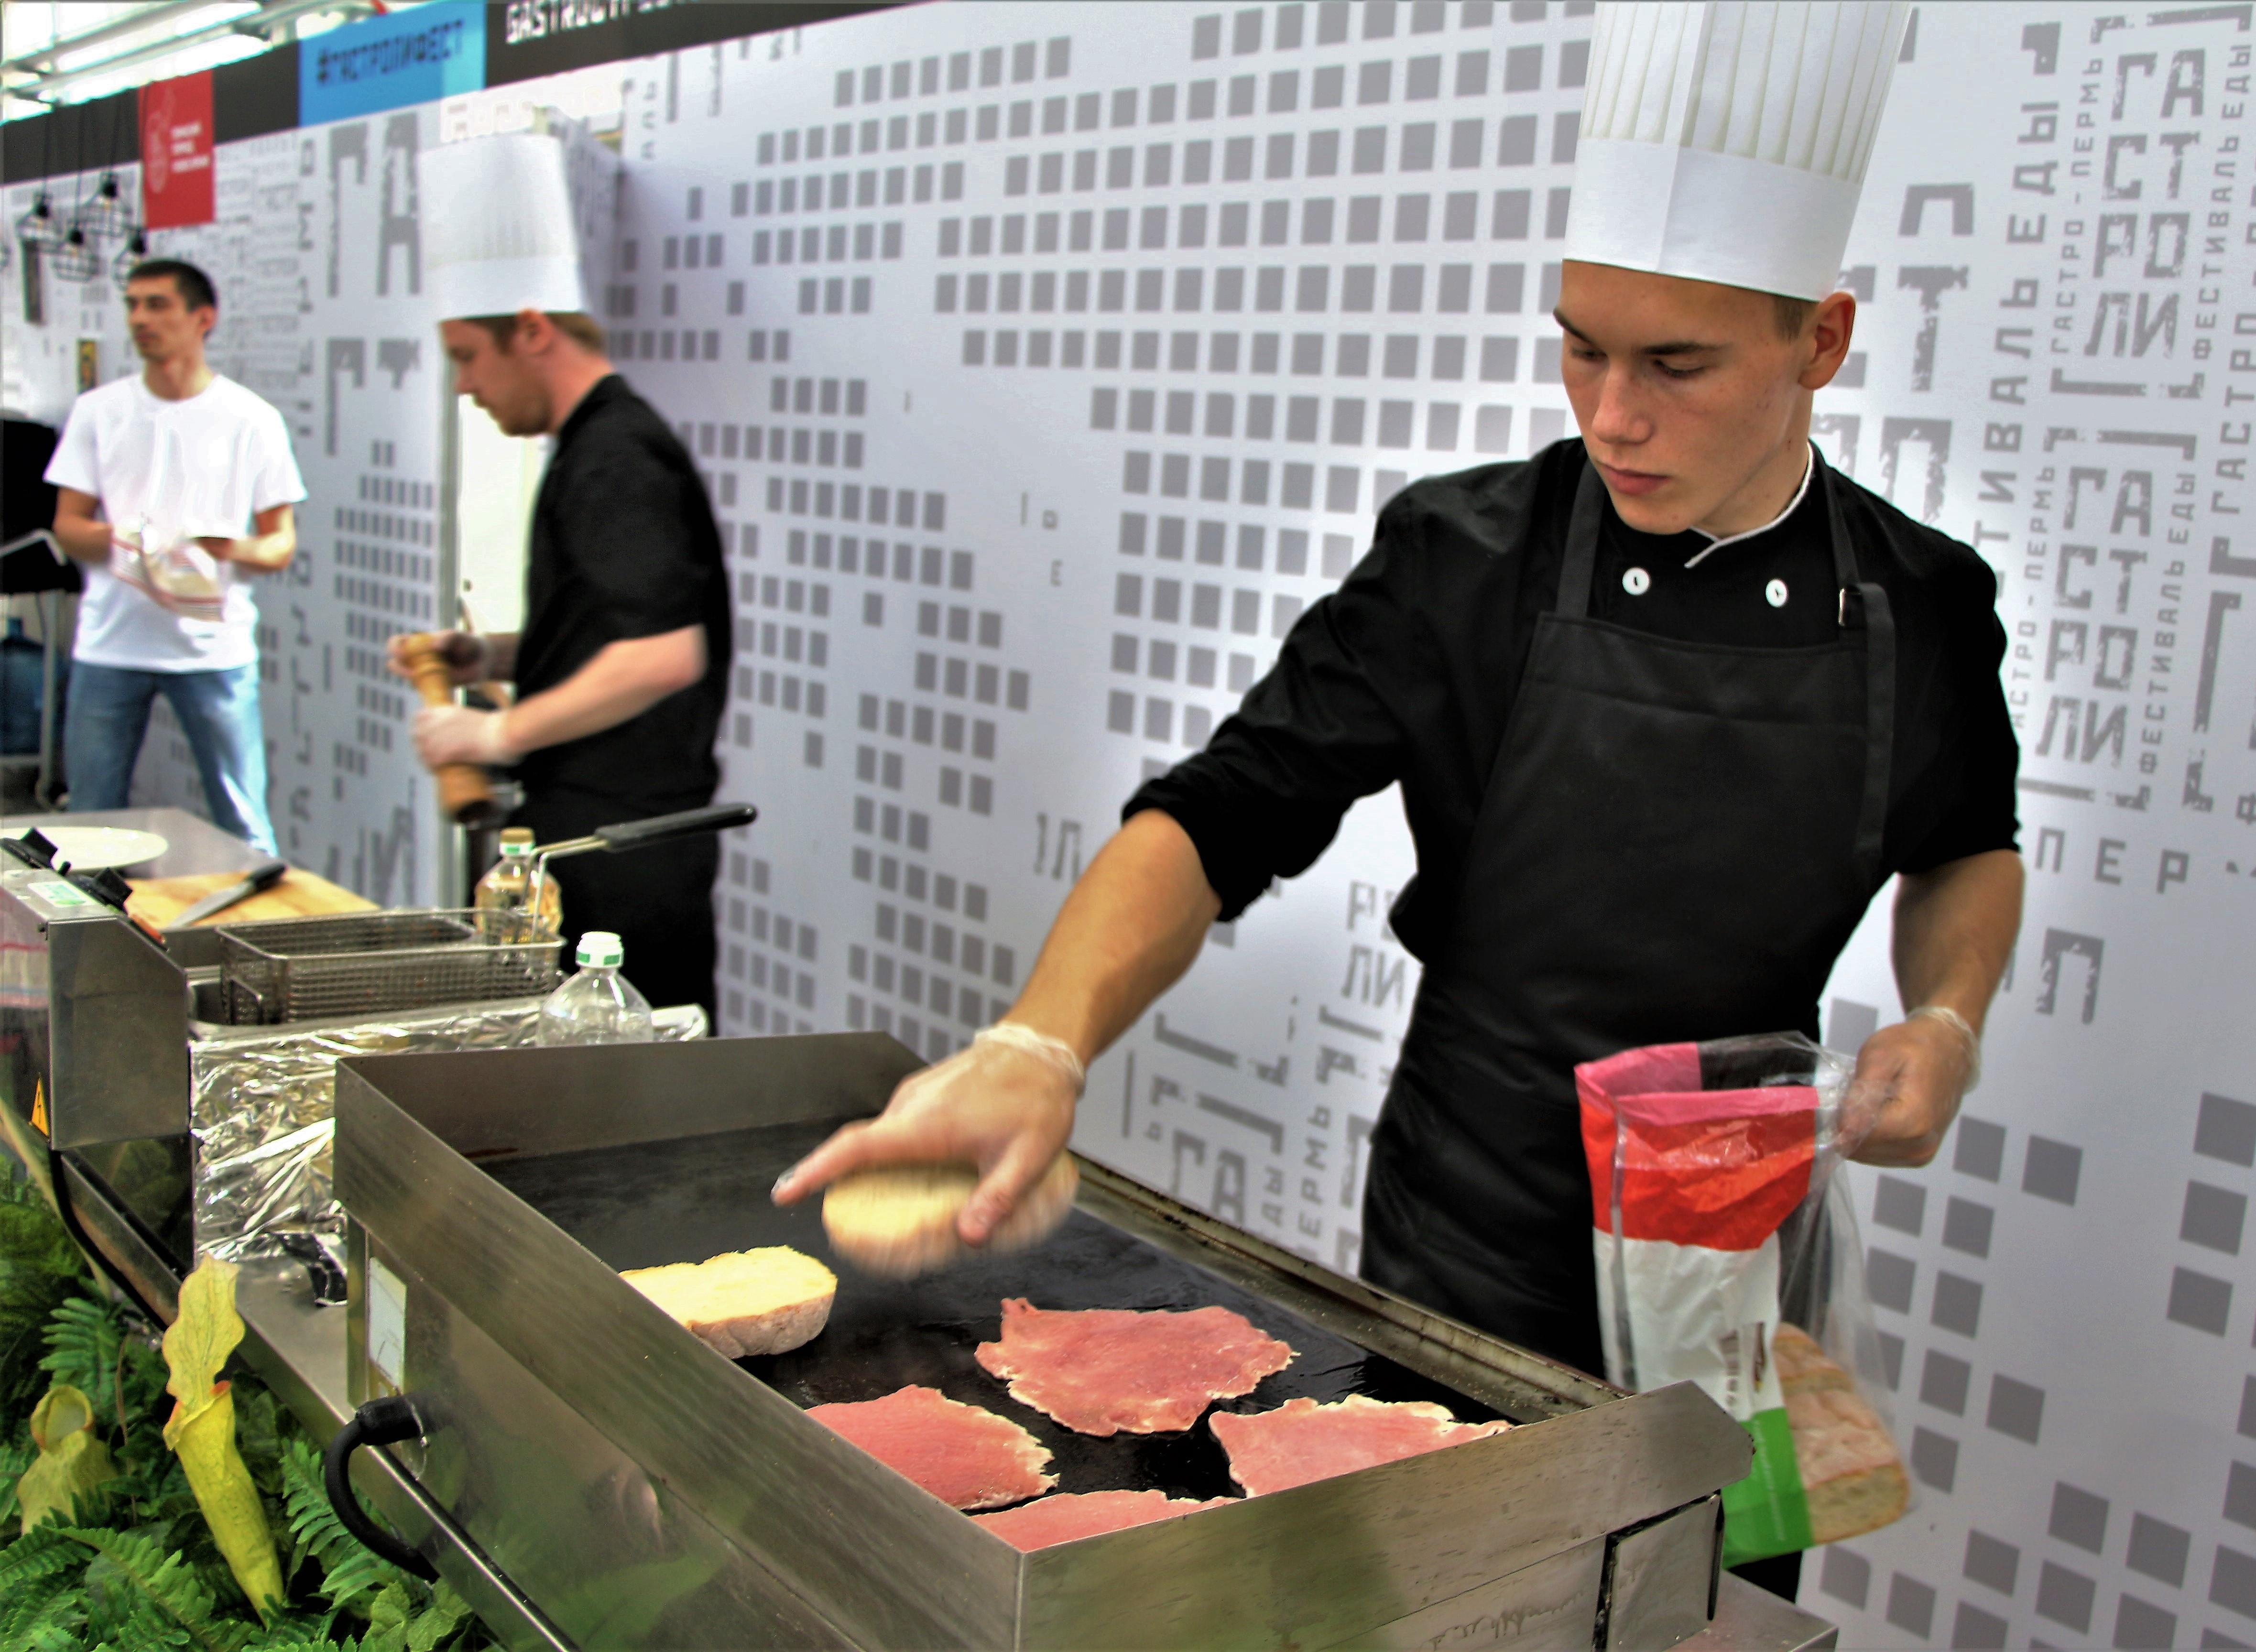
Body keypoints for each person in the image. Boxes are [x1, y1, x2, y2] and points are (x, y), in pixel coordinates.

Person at [776, 0, 2017, 1600]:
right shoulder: (1465, 560)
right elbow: (1225, 809)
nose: (1611, 414)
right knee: (1461, 1605)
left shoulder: (1922, 605)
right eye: (1581, 346)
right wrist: (1041, 1041)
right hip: (1470, 1229)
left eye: (1675, 364)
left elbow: (1965, 846)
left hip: (1731, 1250)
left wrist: (1949, 1016)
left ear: (1819, 344)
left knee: (1697, 1611)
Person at [389, 132, 730, 1017]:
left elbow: (660, 657)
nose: (464, 386)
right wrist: (489, 658)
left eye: (468, 355)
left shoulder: (615, 458)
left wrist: (493, 734)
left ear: (532, 331)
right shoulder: (590, 447)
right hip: (594, 835)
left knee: (637, 1067)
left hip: (627, 850)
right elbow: (610, 629)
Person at [44, 259, 300, 853]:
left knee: (244, 825)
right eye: (133, 305)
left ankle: (256, 913)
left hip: (213, 649)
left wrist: (221, 548)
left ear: (203, 318)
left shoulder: (252, 419)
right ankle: (91, 916)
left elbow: (280, 543)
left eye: (157, 305)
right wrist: (134, 542)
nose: (140, 319)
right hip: (112, 643)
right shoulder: (99, 411)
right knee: (89, 825)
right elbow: (68, 527)